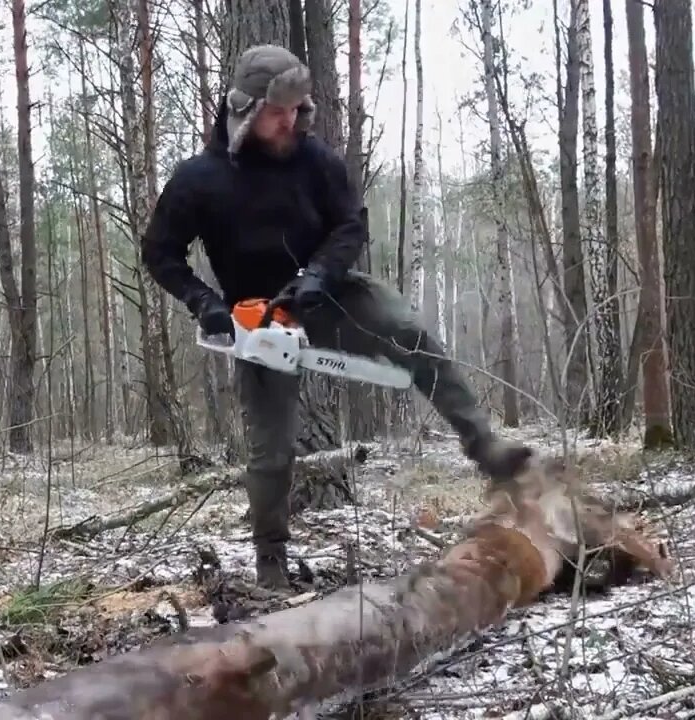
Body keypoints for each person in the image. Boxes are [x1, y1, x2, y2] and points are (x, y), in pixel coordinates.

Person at [140, 44, 534, 591]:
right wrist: (205, 304)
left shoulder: (317, 161)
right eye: (278, 113)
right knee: (270, 446)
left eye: (297, 110)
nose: (289, 122)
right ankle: (271, 560)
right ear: (245, 110)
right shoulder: (199, 179)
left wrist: (319, 274)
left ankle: (486, 448)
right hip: (258, 321)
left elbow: (351, 224)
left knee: (409, 333)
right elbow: (160, 252)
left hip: (330, 291)